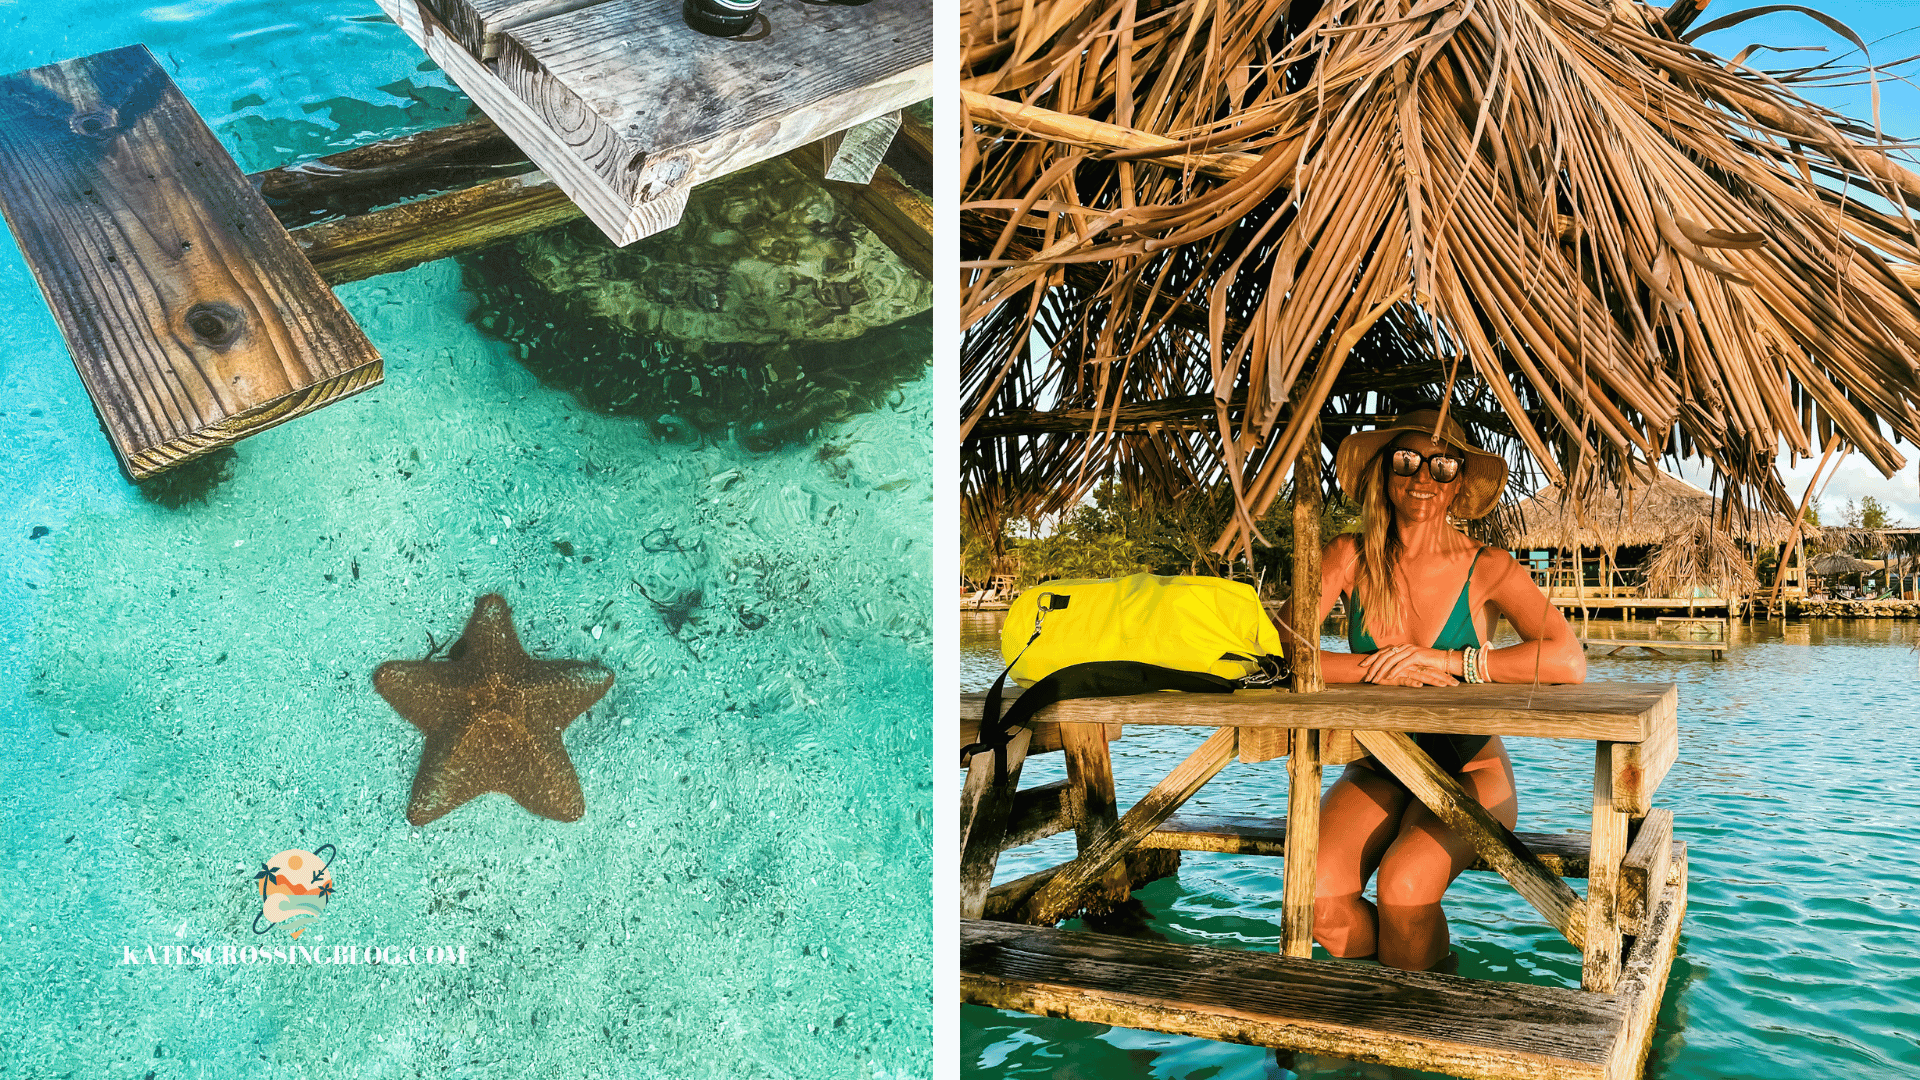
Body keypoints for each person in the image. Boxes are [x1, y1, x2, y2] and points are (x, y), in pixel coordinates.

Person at [1311, 409, 1586, 972]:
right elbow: (1280, 654)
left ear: (1459, 482)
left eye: (1442, 466)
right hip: (1377, 764)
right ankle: (1380, 1009)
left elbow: (1567, 659)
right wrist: (1374, 668)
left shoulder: (1486, 565)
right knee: (1317, 890)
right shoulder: (1349, 554)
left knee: (1405, 885)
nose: (1422, 478)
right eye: (1407, 461)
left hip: (1471, 769)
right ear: (1385, 473)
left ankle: (1415, 1023)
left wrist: (1451, 661)